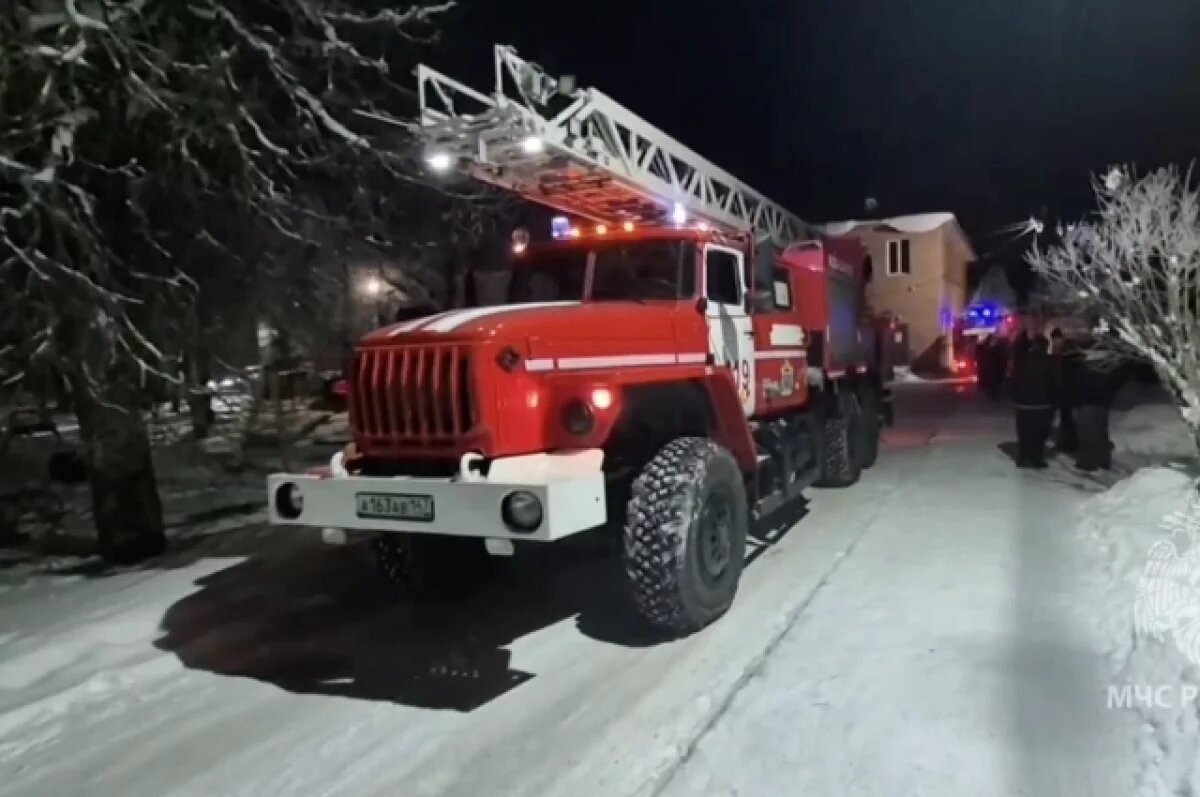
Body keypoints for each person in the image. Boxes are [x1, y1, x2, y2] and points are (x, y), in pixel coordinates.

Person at [1070, 341, 1124, 471]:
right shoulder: (1108, 367)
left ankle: (1087, 462)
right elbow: (1114, 385)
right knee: (1100, 432)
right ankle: (1103, 459)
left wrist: (1074, 403)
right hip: (1102, 403)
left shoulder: (1084, 367)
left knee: (1086, 433)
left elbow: (1077, 385)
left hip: (1086, 403)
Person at [1009, 335, 1058, 468]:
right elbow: (1056, 383)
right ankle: (1036, 458)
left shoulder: (1022, 360)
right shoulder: (1050, 362)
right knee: (1040, 433)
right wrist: (1055, 400)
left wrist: (1015, 397)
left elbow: (1013, 380)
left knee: (1025, 432)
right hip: (1043, 404)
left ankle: (1024, 457)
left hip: (1024, 404)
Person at [1049, 328, 1078, 452]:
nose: (1054, 342)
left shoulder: (1066, 353)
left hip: (1068, 390)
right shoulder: (1059, 352)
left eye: (1056, 339)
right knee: (1065, 418)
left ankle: (1070, 443)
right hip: (1063, 389)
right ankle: (1068, 442)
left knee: (1068, 418)